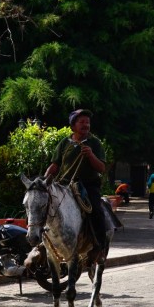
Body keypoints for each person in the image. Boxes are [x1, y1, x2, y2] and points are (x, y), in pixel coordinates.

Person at [44, 109, 107, 259]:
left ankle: (99, 247)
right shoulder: (64, 143)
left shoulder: (94, 143)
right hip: (64, 186)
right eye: (82, 122)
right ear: (73, 126)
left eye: (88, 122)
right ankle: (41, 243)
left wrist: (91, 155)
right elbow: (55, 165)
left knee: (96, 211)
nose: (86, 125)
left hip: (87, 186)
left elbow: (102, 168)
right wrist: (43, 182)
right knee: (43, 206)